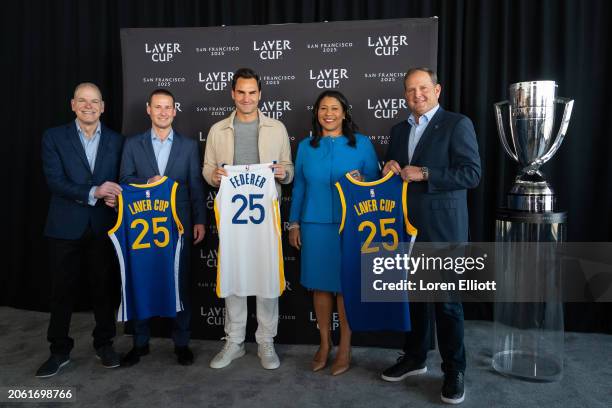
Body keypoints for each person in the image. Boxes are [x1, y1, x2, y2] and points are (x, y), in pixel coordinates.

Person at [380, 67, 481, 404]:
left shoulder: (456, 124)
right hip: (405, 229)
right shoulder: (398, 130)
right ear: (404, 95)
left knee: (447, 305)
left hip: (443, 231)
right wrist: (389, 170)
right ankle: (415, 357)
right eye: (410, 90)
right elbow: (394, 176)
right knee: (414, 301)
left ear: (437, 90)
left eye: (423, 88)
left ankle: (454, 369)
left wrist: (425, 173)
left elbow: (471, 173)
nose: (417, 95)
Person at [203, 67, 293, 370]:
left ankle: (266, 340)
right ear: (232, 93)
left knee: (267, 277)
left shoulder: (276, 128)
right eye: (240, 92)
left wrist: (283, 172)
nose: (246, 97)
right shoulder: (218, 130)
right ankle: (235, 340)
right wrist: (214, 176)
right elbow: (207, 169)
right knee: (234, 275)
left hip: (266, 217)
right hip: (233, 218)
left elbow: (289, 168)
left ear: (259, 94)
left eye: (252, 92)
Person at [288, 90, 379, 375]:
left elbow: (375, 184)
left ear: (344, 113)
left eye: (334, 108)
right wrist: (294, 223)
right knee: (320, 286)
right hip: (314, 225)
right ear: (316, 113)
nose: (329, 113)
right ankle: (325, 344)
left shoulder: (362, 145)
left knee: (346, 287)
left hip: (351, 225)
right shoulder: (305, 146)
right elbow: (299, 187)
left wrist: (363, 180)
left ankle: (345, 347)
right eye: (323, 108)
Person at [37, 82, 124, 377]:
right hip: (65, 227)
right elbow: (55, 181)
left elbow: (121, 180)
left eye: (94, 101)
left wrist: (117, 195)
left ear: (102, 107)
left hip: (102, 226)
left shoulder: (116, 140)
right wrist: (95, 191)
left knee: (103, 289)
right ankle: (59, 350)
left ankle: (104, 344)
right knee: (62, 291)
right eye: (82, 101)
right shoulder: (54, 137)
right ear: (73, 105)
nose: (89, 106)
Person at [119, 88, 206, 366]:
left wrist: (200, 220)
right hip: (143, 225)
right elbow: (124, 181)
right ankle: (140, 342)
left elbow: (195, 186)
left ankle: (181, 343)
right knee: (142, 281)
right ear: (148, 110)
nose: (163, 112)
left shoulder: (189, 145)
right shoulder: (133, 144)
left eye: (168, 107)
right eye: (158, 107)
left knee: (180, 283)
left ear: (174, 111)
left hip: (179, 226)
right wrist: (149, 183)